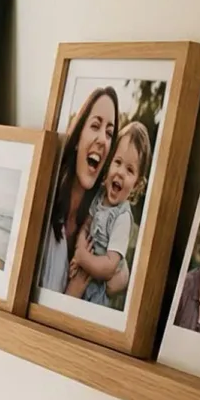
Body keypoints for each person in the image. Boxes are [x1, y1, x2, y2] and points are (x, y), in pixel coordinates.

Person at [37, 85, 119, 294]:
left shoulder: (97, 221)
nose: (102, 139)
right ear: (77, 139)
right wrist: (72, 293)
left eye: (109, 133)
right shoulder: (44, 204)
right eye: (95, 126)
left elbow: (120, 274)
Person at [67, 120, 152, 307]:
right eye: (118, 162)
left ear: (137, 185)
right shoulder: (99, 195)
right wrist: (79, 250)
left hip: (96, 294)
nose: (120, 172)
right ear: (109, 163)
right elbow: (87, 224)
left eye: (130, 170)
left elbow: (110, 267)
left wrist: (84, 258)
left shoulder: (122, 218)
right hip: (83, 275)